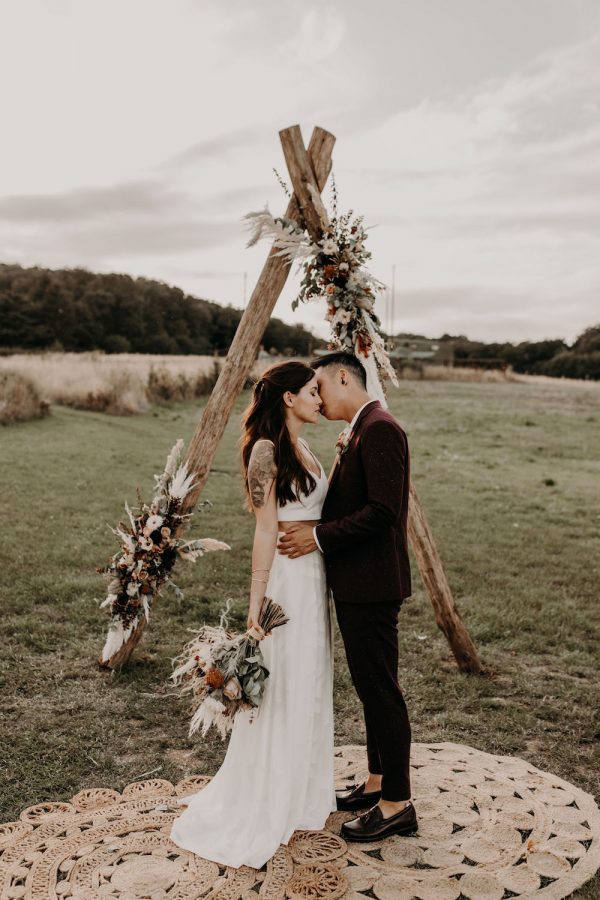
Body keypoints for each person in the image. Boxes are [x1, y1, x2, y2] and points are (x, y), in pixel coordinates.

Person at [169, 360, 336, 869]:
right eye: (312, 391)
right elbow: (266, 530)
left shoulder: (303, 446)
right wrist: (255, 605)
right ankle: (268, 796)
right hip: (287, 581)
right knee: (284, 681)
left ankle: (302, 790)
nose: (319, 399)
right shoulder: (266, 451)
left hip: (314, 577)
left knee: (308, 678)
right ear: (288, 397)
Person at [278, 351, 417, 842]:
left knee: (380, 689)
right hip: (359, 582)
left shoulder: (380, 428)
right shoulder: (361, 427)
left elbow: (383, 511)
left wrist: (316, 537)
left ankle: (398, 803)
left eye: (320, 386)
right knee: (368, 686)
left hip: (373, 583)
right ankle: (378, 781)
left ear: (343, 376)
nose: (317, 396)